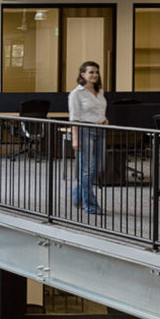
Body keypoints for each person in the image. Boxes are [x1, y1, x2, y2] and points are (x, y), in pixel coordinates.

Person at [68, 61, 108, 215]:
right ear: (82, 74)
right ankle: (90, 204)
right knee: (86, 170)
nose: (95, 75)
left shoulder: (100, 91)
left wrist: (104, 119)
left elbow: (100, 110)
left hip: (100, 130)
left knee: (97, 168)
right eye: (91, 72)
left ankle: (77, 194)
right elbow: (74, 118)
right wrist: (75, 138)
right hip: (85, 131)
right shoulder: (76, 94)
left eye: (96, 72)